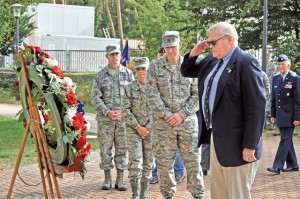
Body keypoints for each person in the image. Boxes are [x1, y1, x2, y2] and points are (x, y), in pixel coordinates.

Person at [181, 22, 265, 199]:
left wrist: (250, 145)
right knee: (219, 194)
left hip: (238, 143)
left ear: (229, 39)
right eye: (209, 42)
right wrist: (195, 52)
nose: (210, 46)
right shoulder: (212, 60)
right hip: (216, 139)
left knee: (237, 194)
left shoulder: (246, 62)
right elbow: (187, 71)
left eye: (213, 42)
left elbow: (256, 108)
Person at [147, 31, 204, 199]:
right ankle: (168, 195)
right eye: (166, 47)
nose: (170, 51)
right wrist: (167, 115)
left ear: (180, 45)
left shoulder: (191, 66)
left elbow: (198, 93)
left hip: (187, 123)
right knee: (165, 164)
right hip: (163, 125)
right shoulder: (155, 66)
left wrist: (182, 114)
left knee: (193, 162)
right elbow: (151, 94)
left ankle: (198, 195)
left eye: (173, 47)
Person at [91, 44, 135, 191]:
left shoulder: (128, 74)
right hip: (106, 120)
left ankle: (120, 180)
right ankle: (107, 178)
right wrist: (107, 112)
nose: (115, 57)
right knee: (105, 149)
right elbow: (96, 98)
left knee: (122, 149)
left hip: (123, 120)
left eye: (117, 54)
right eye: (112, 54)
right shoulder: (100, 76)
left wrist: (125, 111)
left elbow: (134, 96)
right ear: (107, 56)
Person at [151, 46, 186, 185]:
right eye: (162, 51)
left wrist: (179, 115)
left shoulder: (183, 67)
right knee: (158, 147)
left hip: (179, 118)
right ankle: (156, 173)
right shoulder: (155, 69)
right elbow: (153, 93)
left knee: (176, 147)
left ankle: (178, 172)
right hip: (159, 117)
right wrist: (166, 115)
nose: (164, 54)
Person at [122, 57, 154, 199]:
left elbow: (160, 109)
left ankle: (143, 193)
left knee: (148, 162)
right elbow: (125, 110)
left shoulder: (156, 87)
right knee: (136, 163)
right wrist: (137, 126)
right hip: (133, 130)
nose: (141, 71)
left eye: (144, 68)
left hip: (150, 130)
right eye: (138, 69)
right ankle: (135, 193)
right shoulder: (129, 87)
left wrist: (148, 126)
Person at [267, 54, 300, 174]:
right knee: (287, 141)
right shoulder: (276, 78)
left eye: (283, 64)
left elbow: (298, 100)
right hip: (280, 116)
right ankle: (293, 164)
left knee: (284, 140)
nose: (280, 66)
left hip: (290, 116)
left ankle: (277, 166)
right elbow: (274, 99)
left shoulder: (294, 78)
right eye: (279, 64)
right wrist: (273, 115)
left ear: (289, 65)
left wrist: (297, 117)